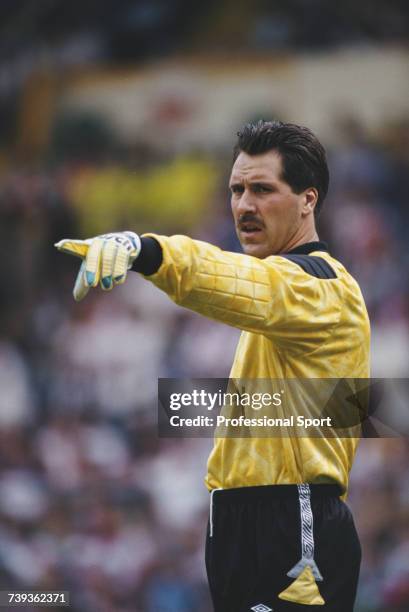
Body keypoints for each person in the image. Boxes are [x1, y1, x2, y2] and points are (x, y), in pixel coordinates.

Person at [55, 120, 370, 611]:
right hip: (240, 524)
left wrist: (148, 251)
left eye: (263, 189)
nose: (244, 205)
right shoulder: (286, 288)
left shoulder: (321, 288)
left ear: (308, 200)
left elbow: (229, 278)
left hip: (293, 523)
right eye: (237, 190)